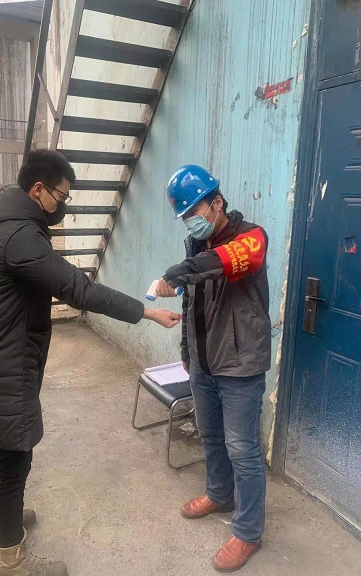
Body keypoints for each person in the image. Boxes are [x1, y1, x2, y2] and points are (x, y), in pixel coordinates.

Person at [0, 149, 181, 576]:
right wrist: (146, 312)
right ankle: (12, 559)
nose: (63, 206)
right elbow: (80, 290)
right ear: (37, 189)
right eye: (61, 196)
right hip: (2, 365)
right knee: (12, 460)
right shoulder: (19, 234)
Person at [155, 165, 271, 573]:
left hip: (239, 365)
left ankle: (248, 532)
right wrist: (187, 350)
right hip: (203, 363)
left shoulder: (251, 238)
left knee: (243, 449)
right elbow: (192, 301)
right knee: (211, 436)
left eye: (193, 211)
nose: (190, 220)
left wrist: (174, 274)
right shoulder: (195, 243)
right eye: (184, 215)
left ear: (217, 202)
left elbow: (219, 263)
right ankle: (220, 494)